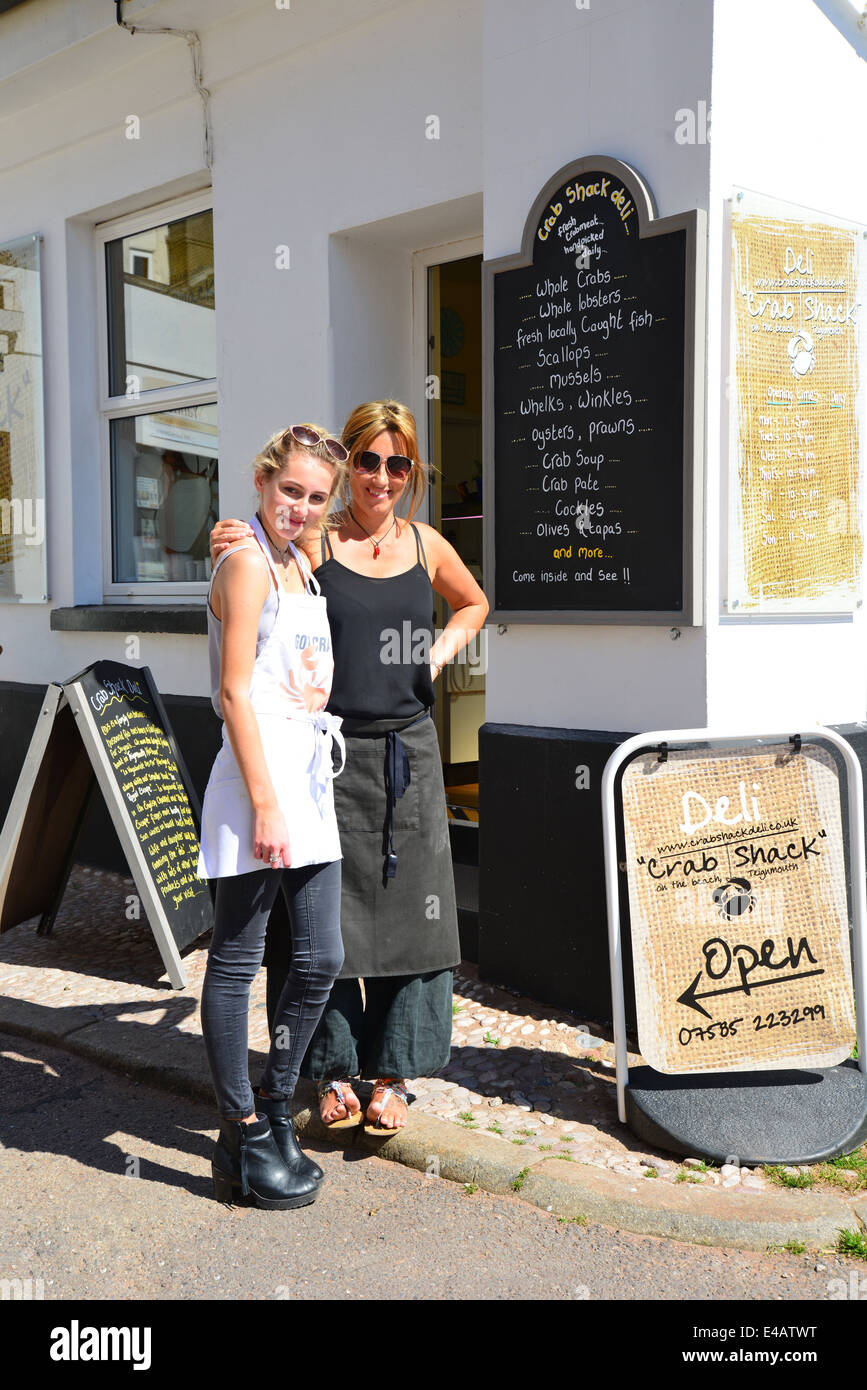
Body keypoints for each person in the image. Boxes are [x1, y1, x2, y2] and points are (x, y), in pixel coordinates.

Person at [210, 400, 489, 1135]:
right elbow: (250, 575)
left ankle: (393, 1074)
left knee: (413, 923)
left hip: (411, 754)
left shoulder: (426, 544)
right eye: (367, 460)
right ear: (349, 469)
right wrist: (228, 538)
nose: (381, 477)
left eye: (398, 464)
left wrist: (431, 658)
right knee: (323, 925)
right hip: (323, 755)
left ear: (411, 472)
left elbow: (473, 603)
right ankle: (329, 1070)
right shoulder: (314, 544)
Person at [196, 423, 349, 1207]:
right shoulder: (249, 560)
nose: (300, 507)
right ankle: (243, 1130)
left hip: (309, 777)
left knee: (320, 955)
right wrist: (264, 803)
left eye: (316, 497)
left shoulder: (298, 558)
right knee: (235, 958)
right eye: (289, 490)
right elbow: (233, 693)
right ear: (261, 481)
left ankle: (275, 1107)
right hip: (260, 780)